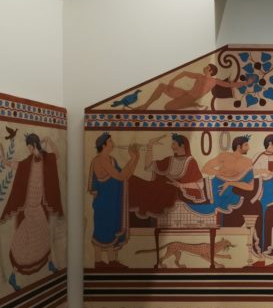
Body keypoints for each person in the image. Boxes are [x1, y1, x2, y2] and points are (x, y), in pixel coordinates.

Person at [0, 134, 64, 291]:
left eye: (29, 146)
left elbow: (57, 155)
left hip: (38, 206)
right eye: (28, 147)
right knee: (28, 237)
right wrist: (4, 159)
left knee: (42, 235)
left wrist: (49, 140)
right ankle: (14, 274)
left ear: (35, 144)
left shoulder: (47, 159)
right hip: (30, 207)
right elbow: (15, 165)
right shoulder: (28, 163)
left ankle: (48, 263)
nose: (29, 149)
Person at [88, 132, 139, 269]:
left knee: (111, 229)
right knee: (102, 229)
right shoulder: (100, 160)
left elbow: (125, 175)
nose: (113, 143)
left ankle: (111, 261)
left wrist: (134, 158)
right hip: (103, 202)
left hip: (112, 201)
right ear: (103, 145)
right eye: (110, 141)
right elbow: (120, 176)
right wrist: (133, 158)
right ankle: (98, 261)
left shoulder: (112, 160)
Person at [129, 133, 205, 219]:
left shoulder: (190, 161)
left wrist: (181, 185)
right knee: (133, 180)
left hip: (172, 190)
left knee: (153, 189)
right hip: (161, 187)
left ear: (182, 145)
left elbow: (200, 184)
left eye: (174, 144)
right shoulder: (170, 159)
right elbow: (148, 166)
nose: (171, 146)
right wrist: (150, 145)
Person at [137, 64, 253, 111]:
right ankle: (145, 106)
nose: (204, 67)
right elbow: (184, 73)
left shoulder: (214, 81)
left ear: (210, 70)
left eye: (206, 67)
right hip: (184, 93)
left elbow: (231, 85)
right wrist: (172, 80)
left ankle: (194, 105)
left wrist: (246, 83)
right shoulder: (199, 76)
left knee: (168, 107)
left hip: (190, 98)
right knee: (162, 86)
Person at [187, 135, 254, 215]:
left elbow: (250, 186)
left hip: (232, 187)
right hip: (216, 183)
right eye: (246, 145)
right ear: (239, 146)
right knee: (197, 190)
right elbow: (205, 168)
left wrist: (230, 183)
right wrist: (219, 173)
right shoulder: (225, 156)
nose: (249, 148)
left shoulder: (248, 162)